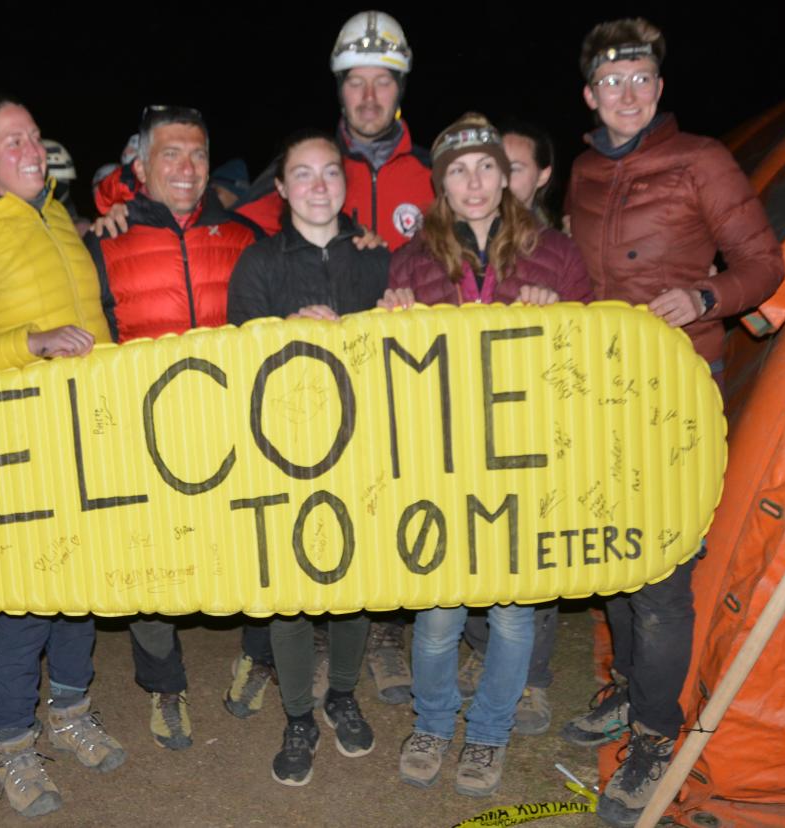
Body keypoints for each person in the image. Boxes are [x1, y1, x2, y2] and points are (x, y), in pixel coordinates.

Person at [560, 19, 783, 828]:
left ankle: (657, 732)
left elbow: (766, 264)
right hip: (602, 391)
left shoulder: (703, 161)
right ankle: (627, 691)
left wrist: (707, 296)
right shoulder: (583, 168)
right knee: (617, 552)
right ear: (590, 95)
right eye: (612, 81)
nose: (628, 93)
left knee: (660, 574)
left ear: (659, 88)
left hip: (681, 385)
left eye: (641, 79)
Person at [0, 94, 124, 819]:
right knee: (27, 603)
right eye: (13, 142)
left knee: (82, 592)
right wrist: (29, 344)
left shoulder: (61, 227)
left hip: (88, 441)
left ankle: (69, 713)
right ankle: (12, 741)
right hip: (21, 453)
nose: (33, 151)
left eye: (35, 137)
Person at [384, 113, 591, 798]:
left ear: (507, 178)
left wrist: (560, 311)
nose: (473, 182)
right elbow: (386, 367)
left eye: (485, 168)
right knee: (440, 612)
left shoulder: (558, 252)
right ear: (441, 185)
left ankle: (490, 735)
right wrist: (389, 315)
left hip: (525, 458)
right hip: (441, 456)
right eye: (457, 171)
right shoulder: (413, 259)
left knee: (510, 612)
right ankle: (434, 723)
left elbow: (590, 352)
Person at [85, 104, 262, 749]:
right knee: (147, 565)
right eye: (170, 154)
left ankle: (261, 656)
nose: (185, 168)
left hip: (234, 430)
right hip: (144, 437)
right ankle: (165, 685)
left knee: (255, 553)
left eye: (196, 154)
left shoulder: (244, 237)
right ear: (140, 163)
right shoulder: (106, 240)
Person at [227, 130, 387, 786]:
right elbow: (236, 356)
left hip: (363, 449)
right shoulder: (258, 263)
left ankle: (342, 695)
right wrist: (287, 330)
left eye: (330, 173)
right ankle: (298, 714)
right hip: (284, 451)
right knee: (290, 590)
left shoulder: (378, 259)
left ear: (345, 185)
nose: (319, 186)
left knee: (355, 585)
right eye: (303, 174)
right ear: (283, 188)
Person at [456, 116, 562, 736]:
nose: (496, 179)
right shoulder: (462, 243)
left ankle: (532, 681)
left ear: (538, 177)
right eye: (489, 167)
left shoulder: (553, 248)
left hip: (531, 430)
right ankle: (484, 650)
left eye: (511, 168)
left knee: (531, 562)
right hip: (472, 429)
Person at [235, 11, 433, 253]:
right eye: (356, 82)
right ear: (341, 91)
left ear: (400, 89)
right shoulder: (302, 170)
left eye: (382, 82)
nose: (369, 97)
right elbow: (226, 233)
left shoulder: (437, 175)